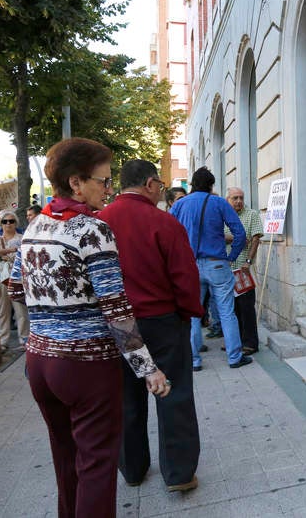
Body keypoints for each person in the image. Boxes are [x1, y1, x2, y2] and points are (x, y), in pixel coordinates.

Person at [8, 138, 169, 518]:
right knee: (96, 465)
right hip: (86, 365)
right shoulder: (92, 231)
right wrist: (149, 369)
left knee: (66, 460)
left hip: (40, 361)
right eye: (104, 181)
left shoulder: (34, 227)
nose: (110, 189)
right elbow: (116, 309)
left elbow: (15, 287)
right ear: (76, 183)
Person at [99, 160, 203, 492]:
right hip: (161, 321)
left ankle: (132, 468)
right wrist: (188, 314)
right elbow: (185, 277)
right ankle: (179, 473)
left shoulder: (99, 223)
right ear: (149, 184)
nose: (160, 190)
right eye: (158, 184)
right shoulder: (163, 222)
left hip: (117, 324)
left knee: (126, 398)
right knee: (174, 396)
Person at [170, 167, 250, 370]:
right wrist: (231, 257)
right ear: (211, 185)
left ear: (193, 184)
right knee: (226, 312)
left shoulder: (180, 205)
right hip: (217, 263)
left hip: (190, 265)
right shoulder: (219, 202)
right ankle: (234, 357)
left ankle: (194, 361)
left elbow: (168, 233)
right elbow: (240, 234)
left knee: (193, 314)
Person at [0, 209, 29, 351]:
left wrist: (5, 254)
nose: (8, 224)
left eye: (11, 221)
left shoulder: (23, 238)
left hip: (18, 280)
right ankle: (3, 341)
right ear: (0, 224)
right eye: (5, 221)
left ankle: (24, 339)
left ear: (16, 223)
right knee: (2, 312)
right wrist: (5, 251)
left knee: (21, 311)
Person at [225, 187, 263, 355]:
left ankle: (250, 344)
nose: (239, 201)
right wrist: (237, 238)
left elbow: (255, 239)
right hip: (226, 270)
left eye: (241, 197)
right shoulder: (223, 214)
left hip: (242, 269)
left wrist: (248, 261)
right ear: (228, 199)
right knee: (231, 309)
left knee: (246, 307)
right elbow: (217, 235)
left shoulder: (252, 214)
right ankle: (235, 341)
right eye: (235, 198)